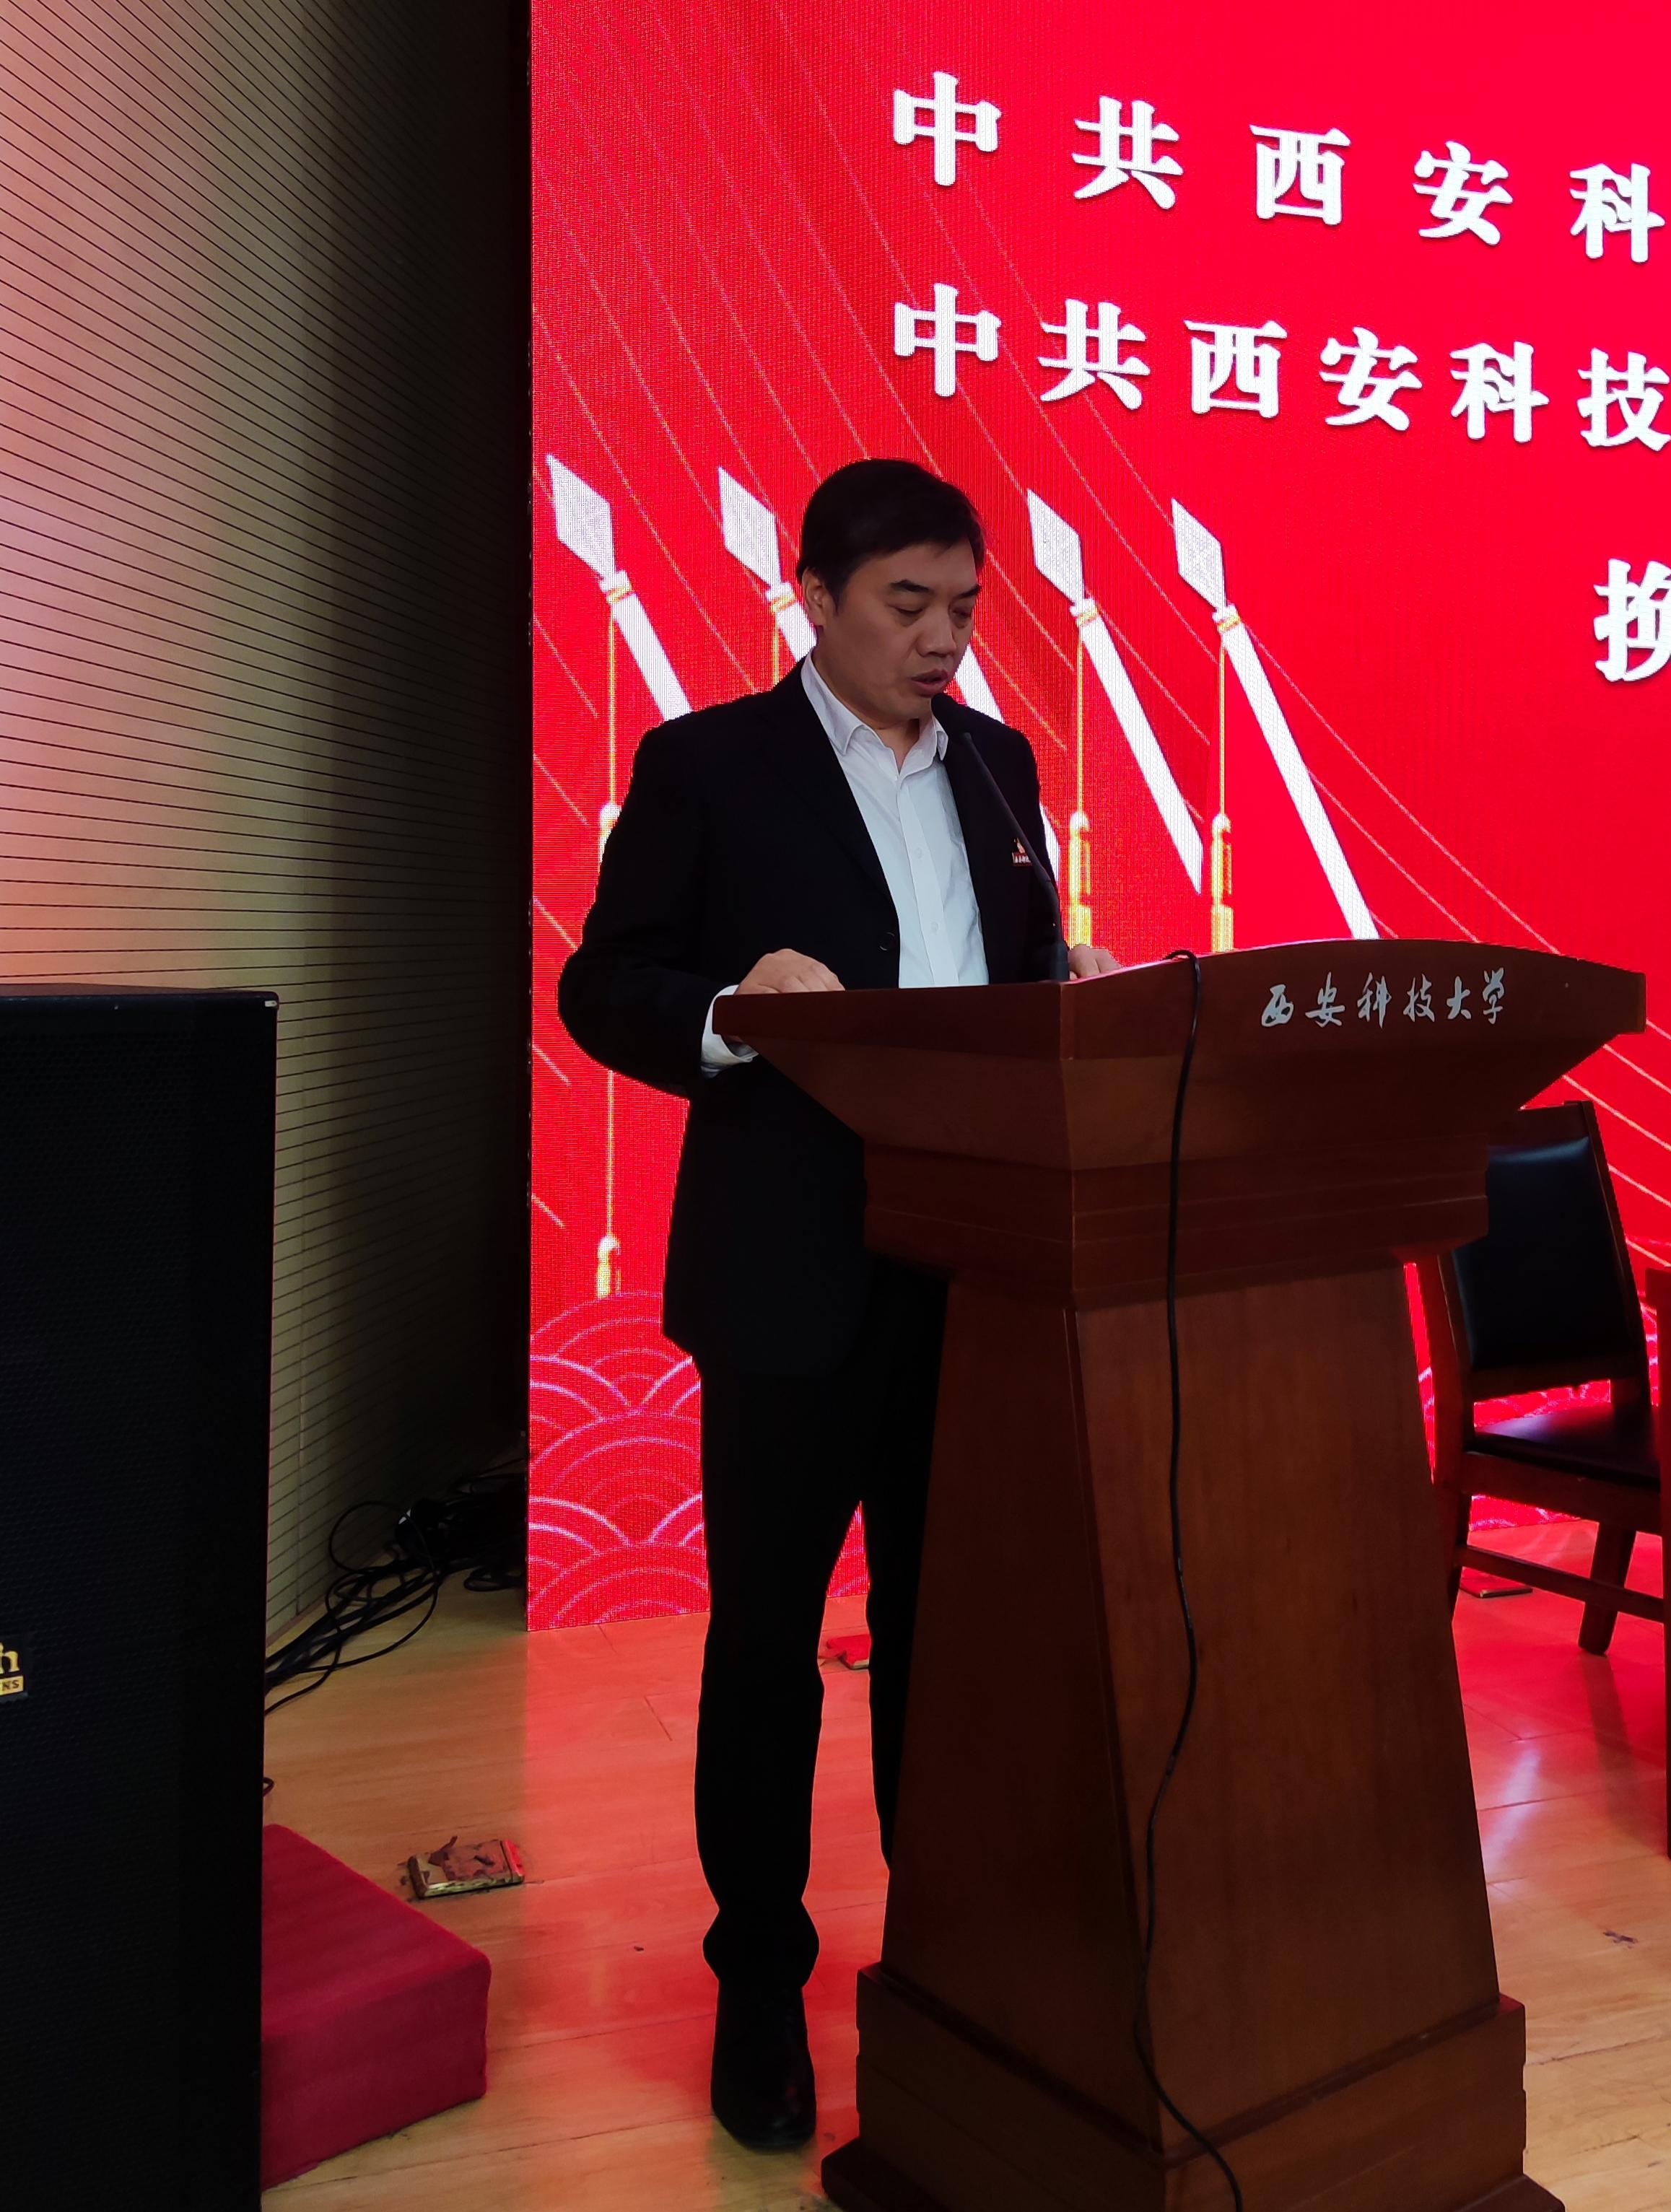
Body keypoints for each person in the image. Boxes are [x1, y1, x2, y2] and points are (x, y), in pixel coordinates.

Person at [557, 458, 1118, 2151]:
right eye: (908, 605)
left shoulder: (1002, 768)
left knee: (953, 1643)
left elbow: (1003, 981)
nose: (945, 639)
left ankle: (947, 1953)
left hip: (977, 1275)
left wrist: (1069, 990)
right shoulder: (706, 763)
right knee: (769, 1643)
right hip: (793, 1276)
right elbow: (603, 982)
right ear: (813, 599)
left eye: (966, 608)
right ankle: (760, 1975)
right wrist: (732, 1009)